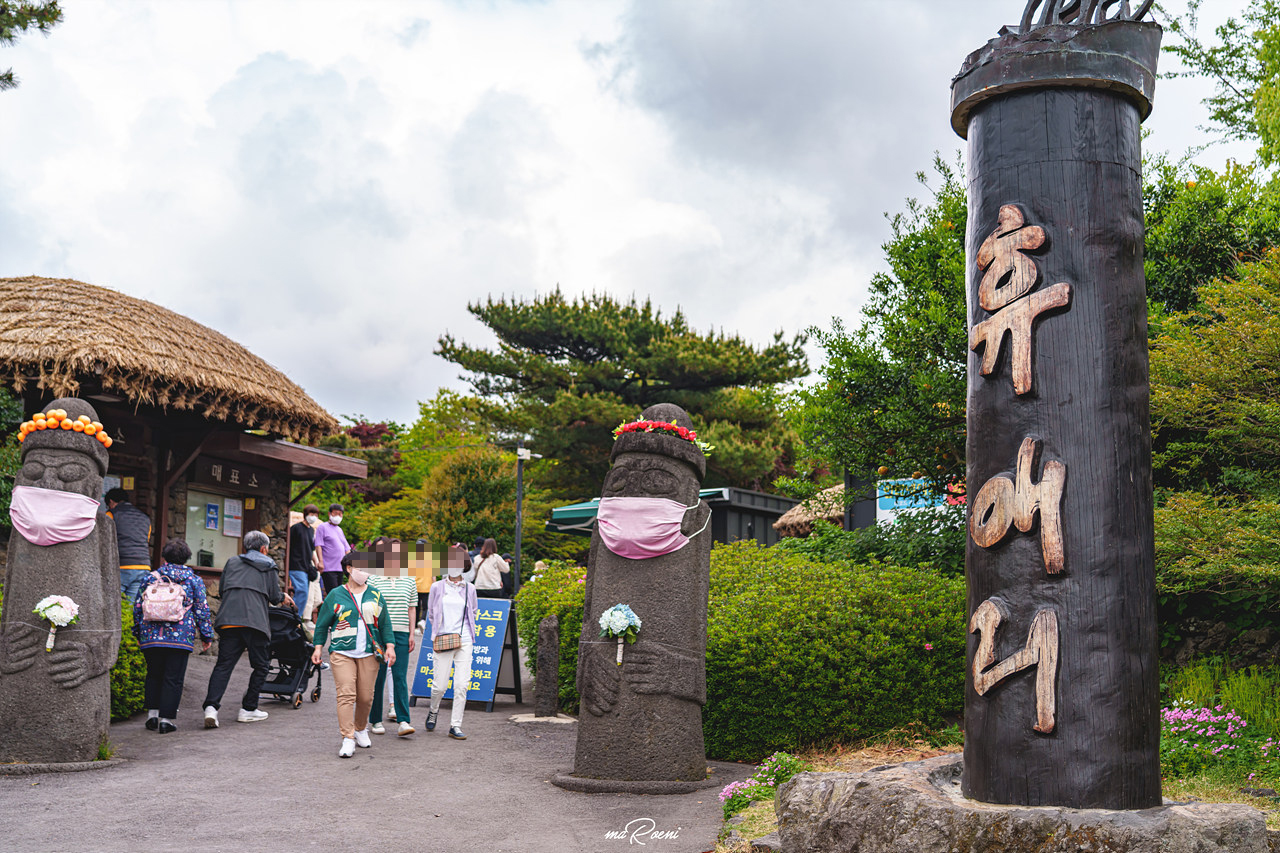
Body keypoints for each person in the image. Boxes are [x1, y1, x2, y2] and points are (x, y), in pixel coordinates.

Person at [201, 530, 291, 728]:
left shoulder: (232, 562)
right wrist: (284, 597)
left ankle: (211, 708)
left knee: (223, 666)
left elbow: (223, 588)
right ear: (264, 548)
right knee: (261, 666)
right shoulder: (269, 565)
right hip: (255, 622)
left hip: (230, 619)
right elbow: (275, 597)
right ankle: (248, 709)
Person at [311, 551, 396, 758]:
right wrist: (318, 647)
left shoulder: (375, 594)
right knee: (346, 694)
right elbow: (322, 624)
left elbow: (385, 624)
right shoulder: (335, 595)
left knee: (366, 697)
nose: (365, 573)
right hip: (342, 651)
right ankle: (347, 737)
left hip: (369, 652)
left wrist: (390, 647)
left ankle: (360, 728)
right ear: (349, 569)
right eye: (361, 568)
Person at [133, 539, 215, 733]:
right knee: (173, 678)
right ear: (187, 557)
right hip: (180, 637)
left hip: (151, 634)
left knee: (154, 674)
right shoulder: (194, 580)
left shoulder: (150, 578)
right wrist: (206, 636)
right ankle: (166, 720)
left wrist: (137, 631)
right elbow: (201, 610)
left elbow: (138, 606)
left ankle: (152, 716)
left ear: (164, 557)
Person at [367, 538, 417, 736]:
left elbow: (412, 608)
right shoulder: (374, 578)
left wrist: (412, 633)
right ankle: (375, 720)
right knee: (377, 676)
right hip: (379, 633)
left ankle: (404, 720)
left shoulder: (409, 579)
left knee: (399, 677)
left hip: (402, 633)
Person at [426, 559, 478, 740]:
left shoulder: (470, 588)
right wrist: (440, 632)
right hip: (443, 639)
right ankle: (433, 710)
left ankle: (455, 725)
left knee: (461, 685)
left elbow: (473, 612)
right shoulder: (437, 587)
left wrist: (465, 633)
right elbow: (431, 613)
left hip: (464, 640)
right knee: (439, 686)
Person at [105, 488, 152, 604]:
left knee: (113, 605)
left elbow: (104, 541)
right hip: (143, 566)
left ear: (111, 502)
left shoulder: (110, 515)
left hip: (121, 565)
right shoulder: (145, 518)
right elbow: (146, 540)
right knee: (131, 607)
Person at [287, 505, 320, 619]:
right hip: (295, 565)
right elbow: (288, 545)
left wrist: (316, 562)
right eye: (311, 514)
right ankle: (293, 617)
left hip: (306, 567)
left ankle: (295, 617)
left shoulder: (311, 530)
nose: (313, 517)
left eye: (315, 515)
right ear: (305, 514)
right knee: (302, 592)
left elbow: (311, 549)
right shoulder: (295, 528)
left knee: (304, 594)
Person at [313, 503, 351, 596]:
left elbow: (347, 548)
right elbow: (318, 545)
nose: (338, 516)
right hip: (329, 568)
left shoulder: (339, 529)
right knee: (333, 594)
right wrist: (320, 562)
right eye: (335, 513)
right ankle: (332, 610)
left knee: (339, 594)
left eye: (340, 514)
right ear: (329, 514)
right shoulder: (323, 527)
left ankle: (337, 610)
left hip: (340, 568)